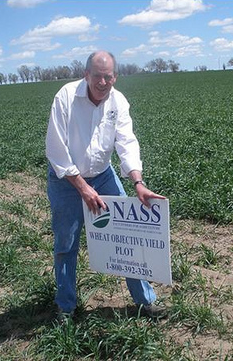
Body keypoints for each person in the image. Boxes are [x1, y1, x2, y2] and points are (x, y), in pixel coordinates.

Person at [46, 50, 166, 320]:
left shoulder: (118, 101)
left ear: (115, 77)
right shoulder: (65, 97)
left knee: (128, 235)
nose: (103, 82)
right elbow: (56, 149)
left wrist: (138, 181)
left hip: (103, 175)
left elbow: (126, 141)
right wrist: (82, 187)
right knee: (66, 242)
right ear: (86, 75)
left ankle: (145, 301)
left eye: (108, 77)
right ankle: (66, 306)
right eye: (97, 76)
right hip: (66, 178)